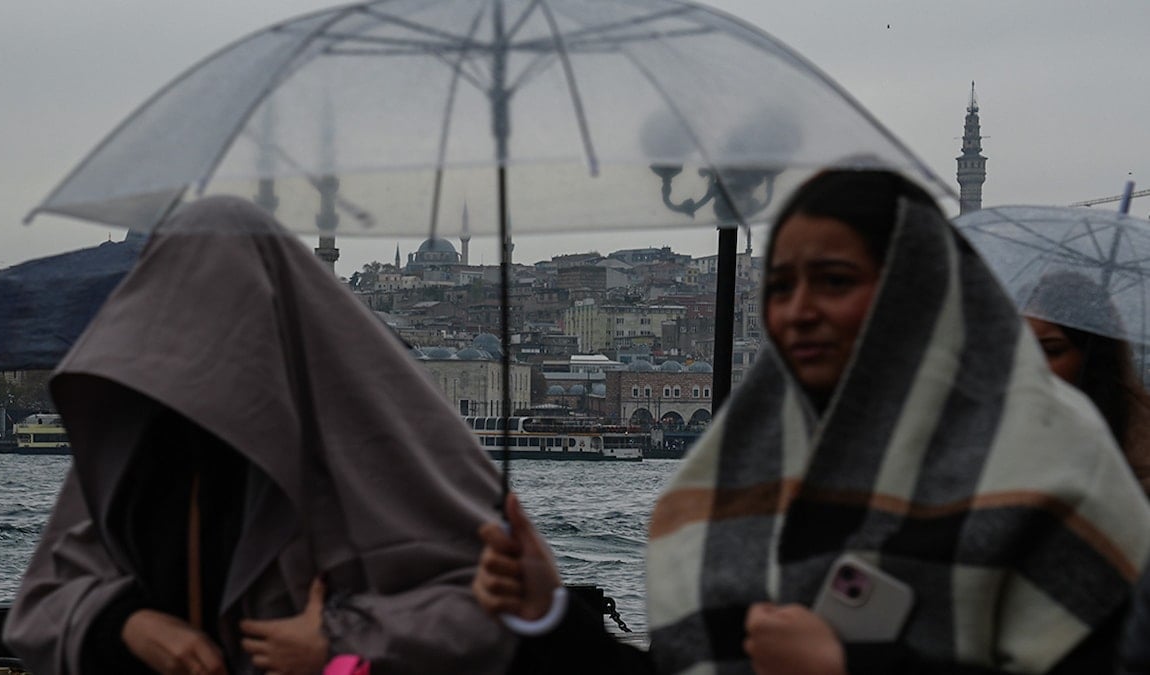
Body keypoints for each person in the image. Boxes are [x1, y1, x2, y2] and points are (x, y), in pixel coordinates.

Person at [474, 170, 1150, 674]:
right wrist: (550, 612)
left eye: (834, 281)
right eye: (781, 286)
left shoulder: (1056, 468)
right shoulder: (744, 474)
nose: (798, 310)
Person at [4, 196, 515, 674]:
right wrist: (127, 623)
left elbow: (481, 607)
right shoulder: (139, 437)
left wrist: (337, 644)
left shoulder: (355, 438)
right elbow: (45, 604)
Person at [1021, 271, 1150, 492]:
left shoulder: (1137, 447)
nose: (1031, 362)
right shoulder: (997, 423)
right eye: (1022, 346)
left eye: (1051, 350)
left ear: (1093, 356)